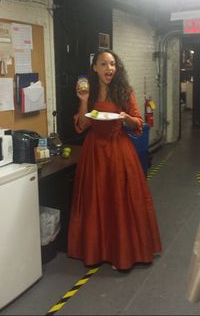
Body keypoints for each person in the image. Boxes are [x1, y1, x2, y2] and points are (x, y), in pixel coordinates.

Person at [67, 49, 162, 270]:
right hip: (94, 154)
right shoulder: (87, 93)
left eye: (112, 64)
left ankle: (126, 252)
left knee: (121, 200)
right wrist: (82, 101)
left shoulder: (124, 92)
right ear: (95, 68)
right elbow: (82, 125)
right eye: (103, 64)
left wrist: (126, 117)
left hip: (119, 151)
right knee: (96, 201)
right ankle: (98, 250)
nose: (109, 68)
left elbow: (138, 123)